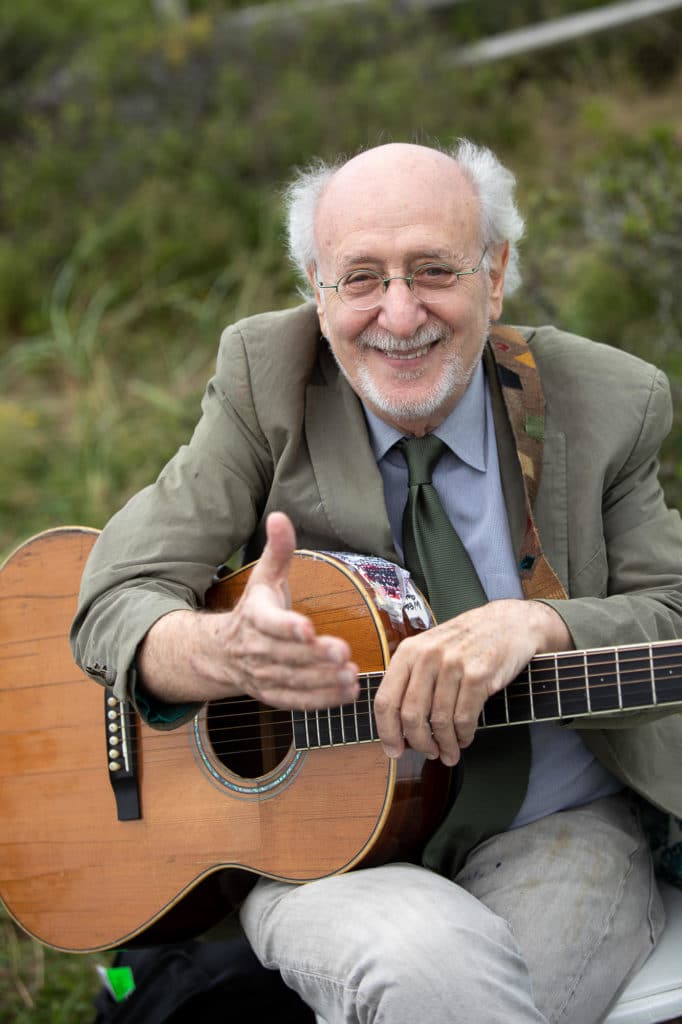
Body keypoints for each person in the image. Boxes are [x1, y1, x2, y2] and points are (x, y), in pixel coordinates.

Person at [71, 139, 682, 1024]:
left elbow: (670, 612)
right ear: (315, 293)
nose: (400, 315)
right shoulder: (264, 382)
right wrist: (216, 650)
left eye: (434, 269)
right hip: (320, 850)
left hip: (558, 824)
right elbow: (112, 597)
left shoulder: (606, 401)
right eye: (360, 279)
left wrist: (537, 628)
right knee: (423, 967)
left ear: (495, 272)